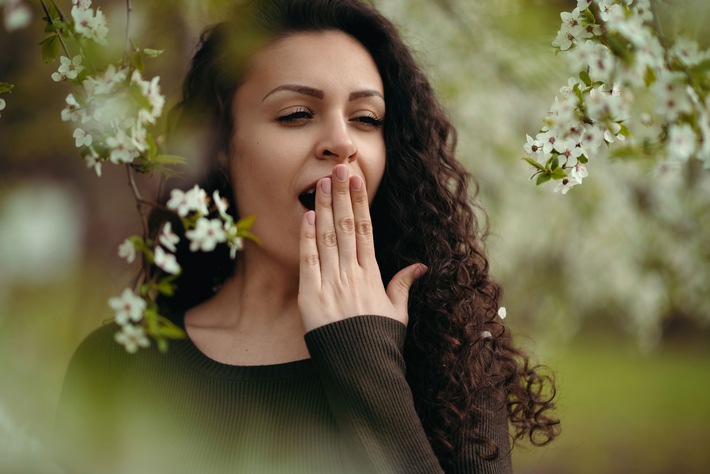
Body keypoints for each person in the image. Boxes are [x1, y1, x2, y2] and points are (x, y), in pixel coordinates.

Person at [55, 0, 559, 472]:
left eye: (366, 119)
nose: (342, 143)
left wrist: (365, 357)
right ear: (222, 148)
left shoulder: (452, 362)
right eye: (296, 114)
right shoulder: (116, 364)